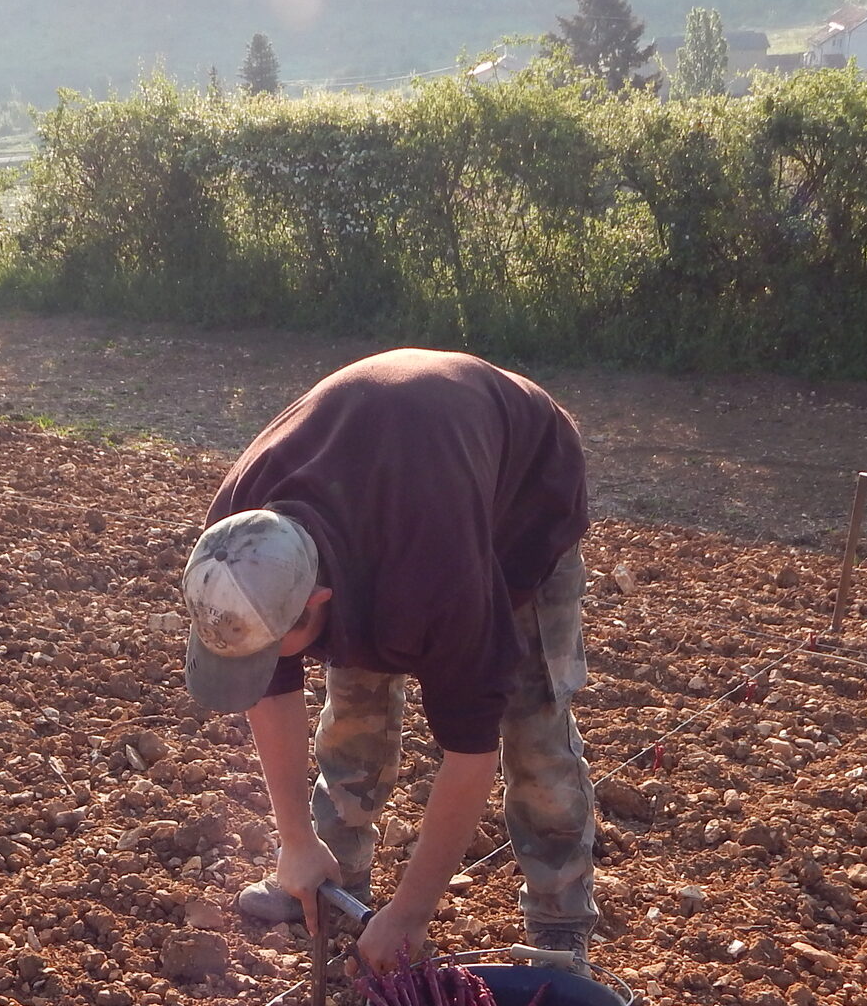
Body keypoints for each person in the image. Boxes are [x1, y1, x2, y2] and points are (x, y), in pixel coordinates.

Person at [179, 349, 599, 972]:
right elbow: (272, 686)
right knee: (354, 707)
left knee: (532, 729)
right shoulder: (239, 535)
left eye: (271, 648)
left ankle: (560, 921)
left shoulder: (435, 579)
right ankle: (331, 870)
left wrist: (410, 914)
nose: (263, 666)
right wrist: (294, 838)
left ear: (317, 600)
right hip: (390, 489)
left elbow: (470, 754)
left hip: (523, 498)